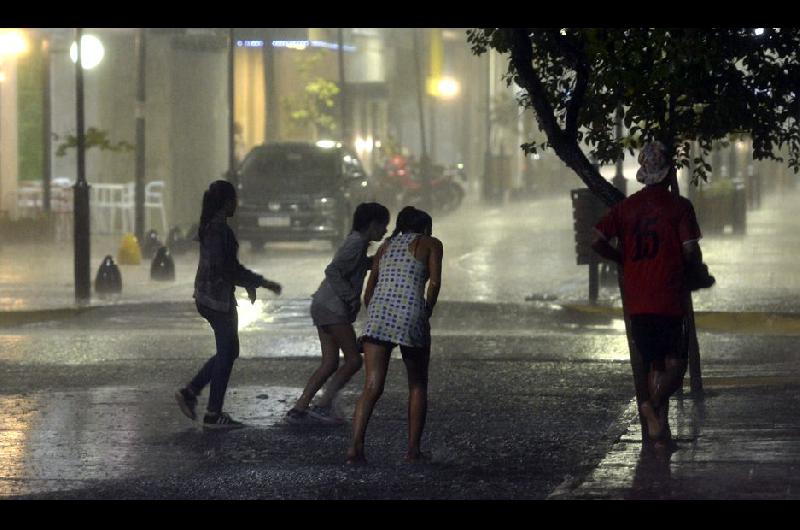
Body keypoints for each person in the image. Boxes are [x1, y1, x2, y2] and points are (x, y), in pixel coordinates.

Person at [592, 141, 704, 448]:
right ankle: (651, 406)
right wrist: (698, 273)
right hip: (668, 297)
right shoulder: (679, 208)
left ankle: (658, 434)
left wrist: (622, 259)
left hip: (638, 299)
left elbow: (597, 239)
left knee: (655, 363)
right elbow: (690, 249)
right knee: (677, 363)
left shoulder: (626, 208)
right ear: (668, 175)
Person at [175, 180, 282, 429]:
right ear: (226, 203)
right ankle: (212, 413)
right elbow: (227, 268)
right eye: (234, 200)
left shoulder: (212, 227)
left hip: (208, 296)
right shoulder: (220, 230)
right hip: (217, 300)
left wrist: (250, 283)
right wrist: (260, 282)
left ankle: (192, 392)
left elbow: (226, 267)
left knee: (229, 351)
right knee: (227, 352)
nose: (238, 204)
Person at [346, 206, 443, 464]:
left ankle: (355, 449)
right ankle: (413, 451)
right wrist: (427, 309)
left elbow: (371, 287)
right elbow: (434, 283)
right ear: (424, 228)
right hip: (411, 314)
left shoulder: (385, 247)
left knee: (371, 386)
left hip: (379, 315)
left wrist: (375, 313)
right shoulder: (430, 243)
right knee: (417, 384)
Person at [286, 202, 391, 424]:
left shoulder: (356, 242)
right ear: (372, 225)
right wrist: (350, 297)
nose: (385, 231)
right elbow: (333, 270)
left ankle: (300, 407)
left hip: (323, 304)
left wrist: (380, 258)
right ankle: (323, 405)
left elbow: (358, 266)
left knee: (330, 362)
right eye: (383, 226)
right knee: (353, 360)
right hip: (333, 307)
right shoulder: (355, 243)